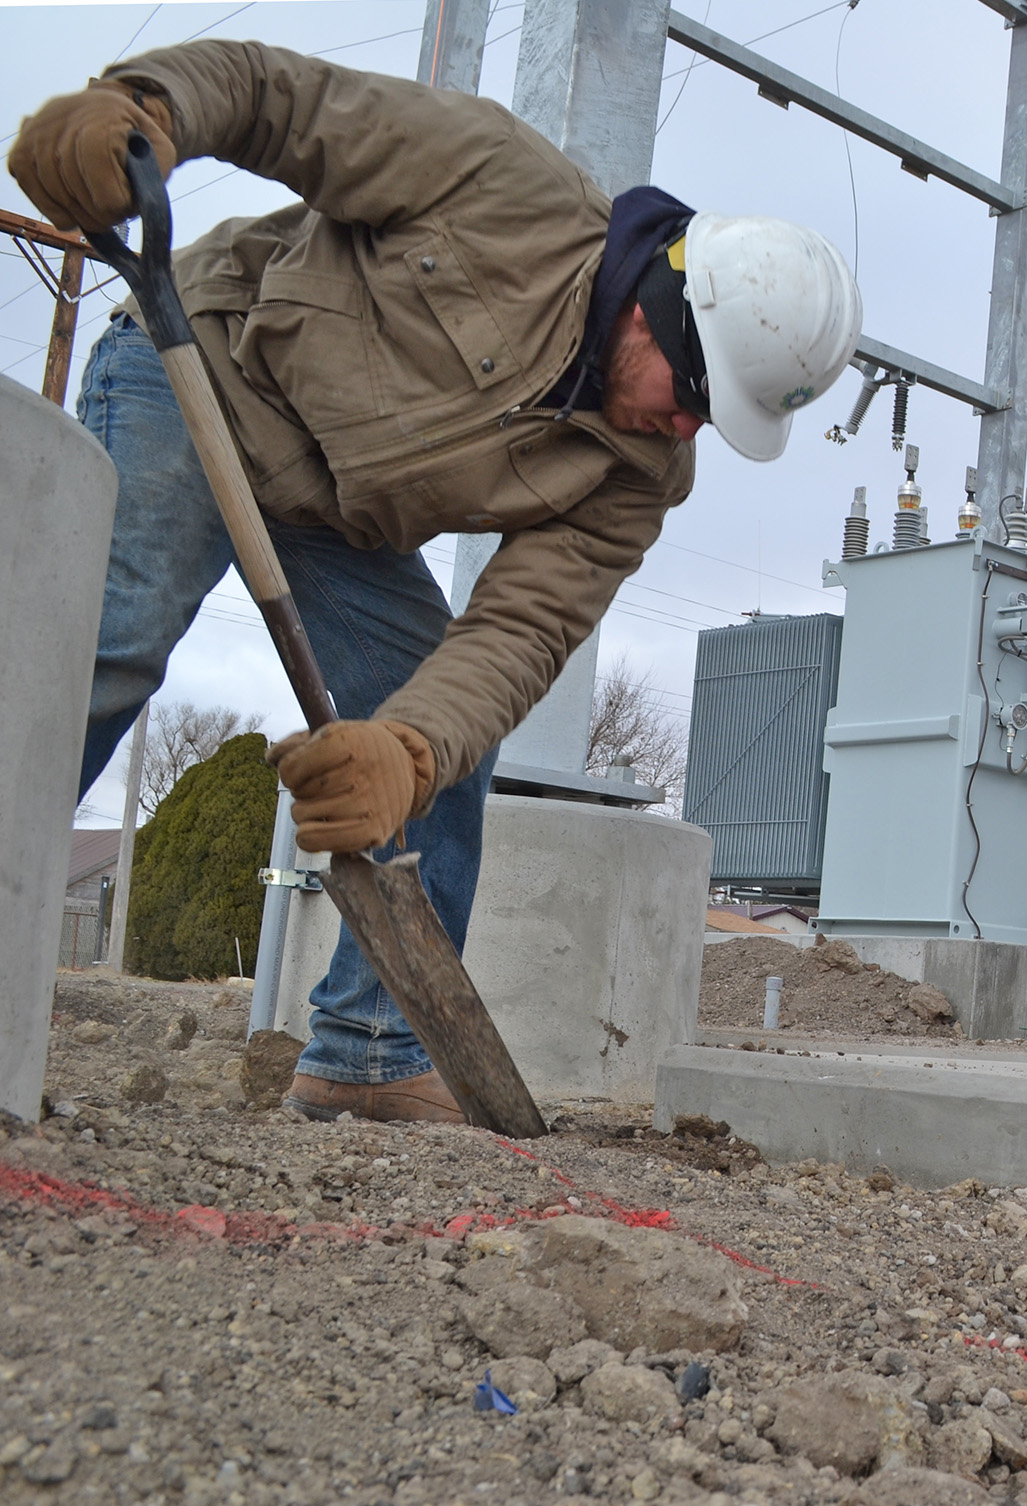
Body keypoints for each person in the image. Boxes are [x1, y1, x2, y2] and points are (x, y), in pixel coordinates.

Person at [11, 42, 860, 1123]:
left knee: (443, 739)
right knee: (112, 635)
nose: (689, 425)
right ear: (654, 305)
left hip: (336, 511)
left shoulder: (639, 474)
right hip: (205, 370)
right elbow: (289, 105)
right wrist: (145, 110)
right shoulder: (501, 185)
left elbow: (516, 637)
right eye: (696, 393)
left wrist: (405, 750)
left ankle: (369, 1057)